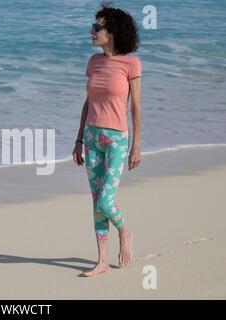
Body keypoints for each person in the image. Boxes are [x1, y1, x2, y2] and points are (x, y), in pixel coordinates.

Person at [72, 2, 142, 277]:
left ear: (112, 32)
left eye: (97, 27)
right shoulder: (94, 62)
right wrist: (78, 140)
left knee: (105, 201)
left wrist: (136, 145)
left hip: (116, 140)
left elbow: (135, 108)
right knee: (95, 201)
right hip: (91, 137)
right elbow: (88, 102)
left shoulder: (130, 63)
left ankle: (125, 230)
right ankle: (101, 261)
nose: (92, 31)